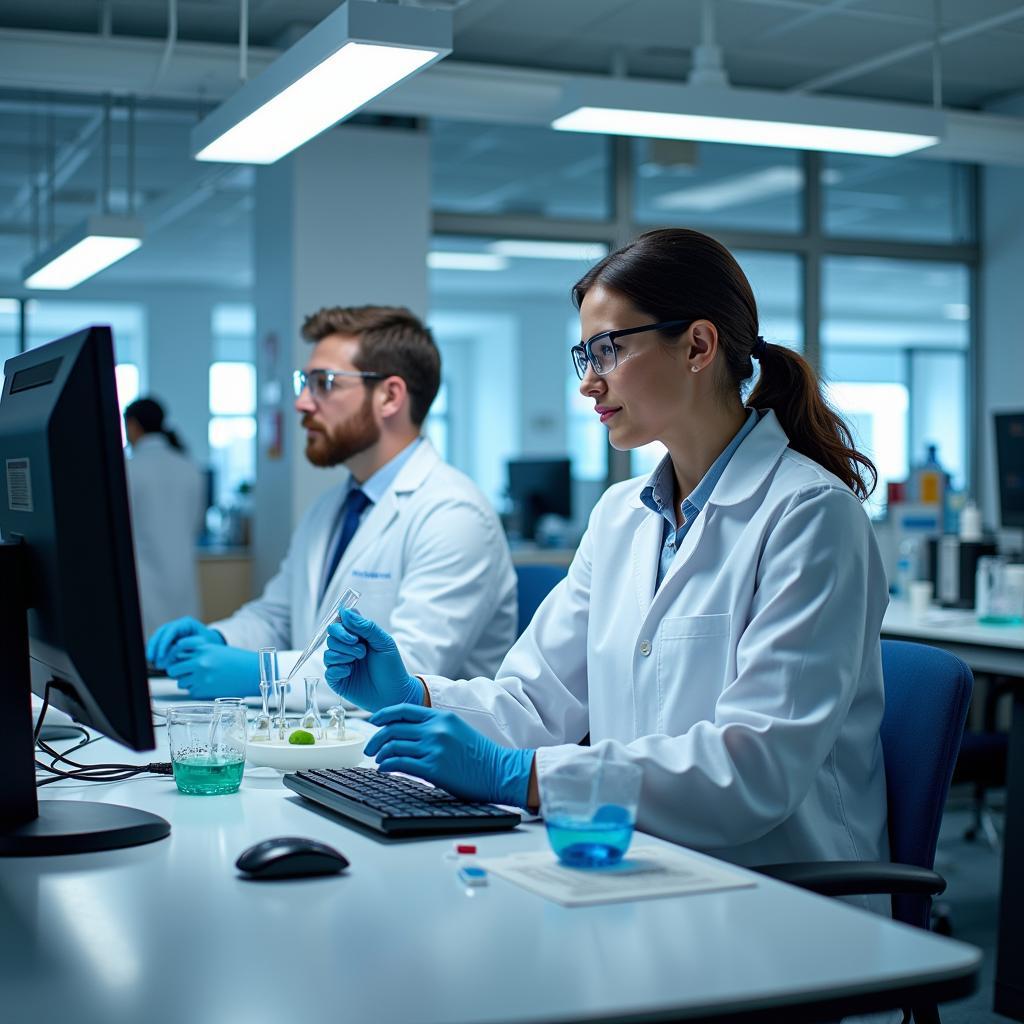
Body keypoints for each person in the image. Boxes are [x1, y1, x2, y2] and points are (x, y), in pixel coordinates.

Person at [324, 230, 890, 911]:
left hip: (779, 901)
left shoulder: (809, 514)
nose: (589, 381)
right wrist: (414, 695)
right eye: (584, 356)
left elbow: (754, 769)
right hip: (634, 868)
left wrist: (521, 776)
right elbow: (539, 702)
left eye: (609, 350)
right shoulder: (623, 515)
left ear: (698, 346)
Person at [147, 305, 517, 698]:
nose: (302, 403)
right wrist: (219, 638)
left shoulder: (454, 515)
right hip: (331, 743)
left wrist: (265, 672)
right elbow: (280, 617)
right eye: (304, 383)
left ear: (390, 396)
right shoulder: (333, 507)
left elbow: (407, 671)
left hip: (411, 752)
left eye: (324, 383)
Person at [124, 397, 205, 641]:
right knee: (181, 653)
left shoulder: (128, 469)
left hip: (143, 583)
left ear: (134, 425)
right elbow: (197, 524)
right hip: (182, 579)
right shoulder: (189, 467)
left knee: (147, 654)